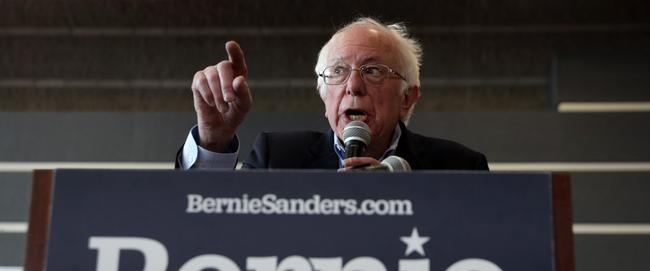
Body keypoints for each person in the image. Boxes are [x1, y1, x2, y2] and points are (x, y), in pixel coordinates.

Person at [177, 17, 488, 171]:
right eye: (338, 72)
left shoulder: (459, 167)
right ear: (324, 94)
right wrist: (214, 140)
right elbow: (212, 226)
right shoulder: (279, 158)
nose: (353, 85)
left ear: (407, 97)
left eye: (374, 70)